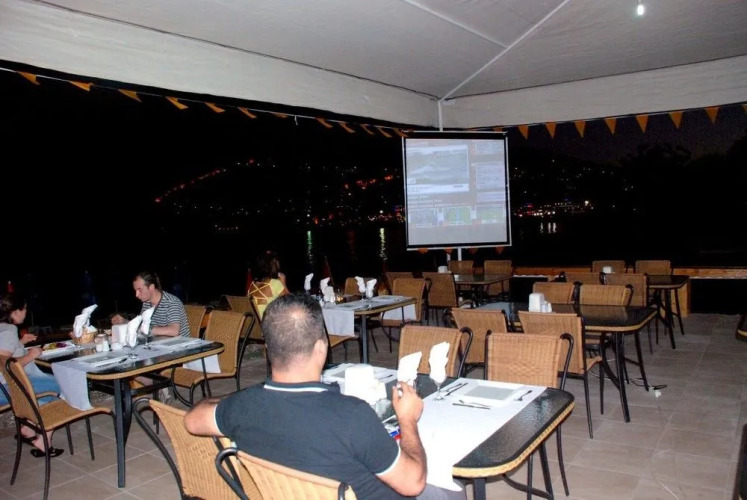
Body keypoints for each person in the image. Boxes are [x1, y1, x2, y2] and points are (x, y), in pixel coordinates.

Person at [185, 293, 464, 499]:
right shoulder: (352, 415)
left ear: (268, 350)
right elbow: (413, 483)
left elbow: (192, 420)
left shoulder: (243, 407)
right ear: (322, 347)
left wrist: (233, 401)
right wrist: (408, 420)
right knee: (452, 491)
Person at [0, 293, 63, 457]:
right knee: (62, 385)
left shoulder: (3, 328)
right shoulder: (9, 330)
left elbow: (5, 352)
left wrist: (20, 343)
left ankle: (28, 428)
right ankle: (42, 439)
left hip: (6, 386)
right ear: (16, 311)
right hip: (5, 388)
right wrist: (31, 355)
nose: (26, 312)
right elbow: (4, 366)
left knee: (48, 387)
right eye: (24, 309)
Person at [132, 271, 190, 338]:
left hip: (179, 343)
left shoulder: (171, 302)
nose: (136, 295)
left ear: (151, 287)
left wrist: (147, 330)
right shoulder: (146, 302)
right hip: (159, 341)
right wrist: (125, 321)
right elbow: (141, 324)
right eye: (135, 290)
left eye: (140, 290)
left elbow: (174, 331)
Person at [247, 250, 289, 319]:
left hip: (252, 322)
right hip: (264, 323)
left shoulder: (253, 284)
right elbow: (290, 303)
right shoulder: (275, 283)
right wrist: (283, 283)